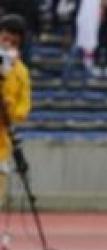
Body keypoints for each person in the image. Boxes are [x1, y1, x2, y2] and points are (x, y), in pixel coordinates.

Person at [0, 14, 31, 209]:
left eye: (14, 41)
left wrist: (9, 108)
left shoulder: (21, 72)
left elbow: (24, 108)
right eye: (5, 38)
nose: (9, 43)